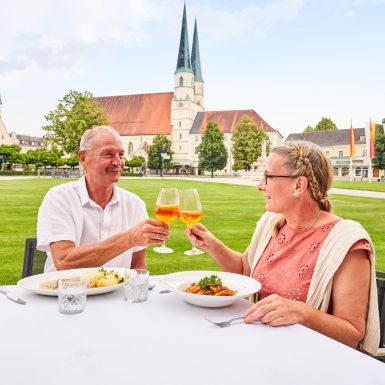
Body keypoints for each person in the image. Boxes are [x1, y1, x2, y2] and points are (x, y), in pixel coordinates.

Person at [187, 140, 379, 355]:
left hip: (310, 360)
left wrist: (304, 314)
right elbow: (244, 270)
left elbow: (352, 334)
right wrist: (212, 245)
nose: (260, 185)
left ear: (298, 185)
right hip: (261, 349)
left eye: (268, 177)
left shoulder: (346, 242)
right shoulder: (272, 223)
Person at [37, 126, 169, 272]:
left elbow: (138, 265)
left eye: (121, 155)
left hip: (117, 294)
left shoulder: (134, 204)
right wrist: (129, 239)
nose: (117, 162)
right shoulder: (60, 198)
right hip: (68, 293)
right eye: (108, 154)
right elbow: (64, 261)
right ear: (83, 158)